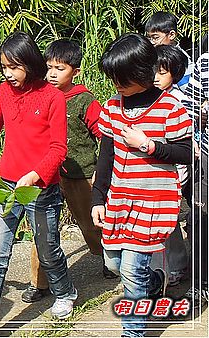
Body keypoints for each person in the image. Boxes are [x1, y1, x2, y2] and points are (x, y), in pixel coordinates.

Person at [0, 31, 78, 337]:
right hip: (6, 185)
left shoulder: (53, 97)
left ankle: (65, 292)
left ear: (30, 64)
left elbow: (59, 148)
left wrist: (35, 175)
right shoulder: (3, 92)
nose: (7, 74)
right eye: (4, 67)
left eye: (14, 67)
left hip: (41, 188)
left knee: (47, 250)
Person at [91, 33, 192, 337]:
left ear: (142, 73)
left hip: (154, 202)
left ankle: (133, 332)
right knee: (114, 263)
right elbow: (106, 156)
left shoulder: (170, 108)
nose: (116, 84)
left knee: (131, 273)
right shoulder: (111, 109)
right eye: (113, 78)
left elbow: (187, 152)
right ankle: (153, 281)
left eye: (122, 78)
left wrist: (149, 145)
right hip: (120, 201)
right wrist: (98, 198)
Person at [22, 39, 113, 304]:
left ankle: (109, 258)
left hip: (80, 173)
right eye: (49, 67)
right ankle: (39, 282)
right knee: (41, 230)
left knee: (90, 224)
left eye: (59, 68)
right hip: (45, 174)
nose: (52, 73)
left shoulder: (84, 100)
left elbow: (102, 135)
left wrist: (100, 171)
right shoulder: (38, 96)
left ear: (76, 72)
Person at [153, 44, 192, 287]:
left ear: (175, 74)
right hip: (153, 168)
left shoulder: (179, 100)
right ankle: (162, 267)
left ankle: (176, 265)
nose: (155, 77)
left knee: (168, 221)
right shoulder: (147, 97)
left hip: (175, 169)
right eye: (152, 71)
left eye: (162, 72)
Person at [182, 40, 209, 305]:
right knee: (200, 219)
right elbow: (189, 106)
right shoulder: (204, 62)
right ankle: (200, 284)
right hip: (206, 155)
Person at [145, 11, 193, 90]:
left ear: (171, 35)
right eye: (150, 38)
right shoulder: (154, 54)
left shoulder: (181, 59)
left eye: (156, 37)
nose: (152, 42)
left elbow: (188, 90)